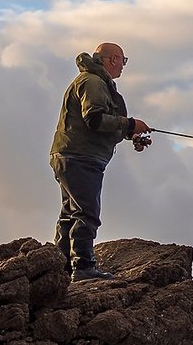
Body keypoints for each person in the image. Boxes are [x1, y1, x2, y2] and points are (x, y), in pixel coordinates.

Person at [50, 43, 151, 281]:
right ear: (113, 59)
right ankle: (83, 268)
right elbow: (94, 119)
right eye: (123, 61)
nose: (123, 67)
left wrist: (131, 134)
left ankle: (60, 268)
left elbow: (102, 121)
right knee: (87, 213)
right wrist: (129, 124)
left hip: (69, 155)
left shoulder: (93, 81)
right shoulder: (93, 82)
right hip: (80, 157)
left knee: (70, 214)